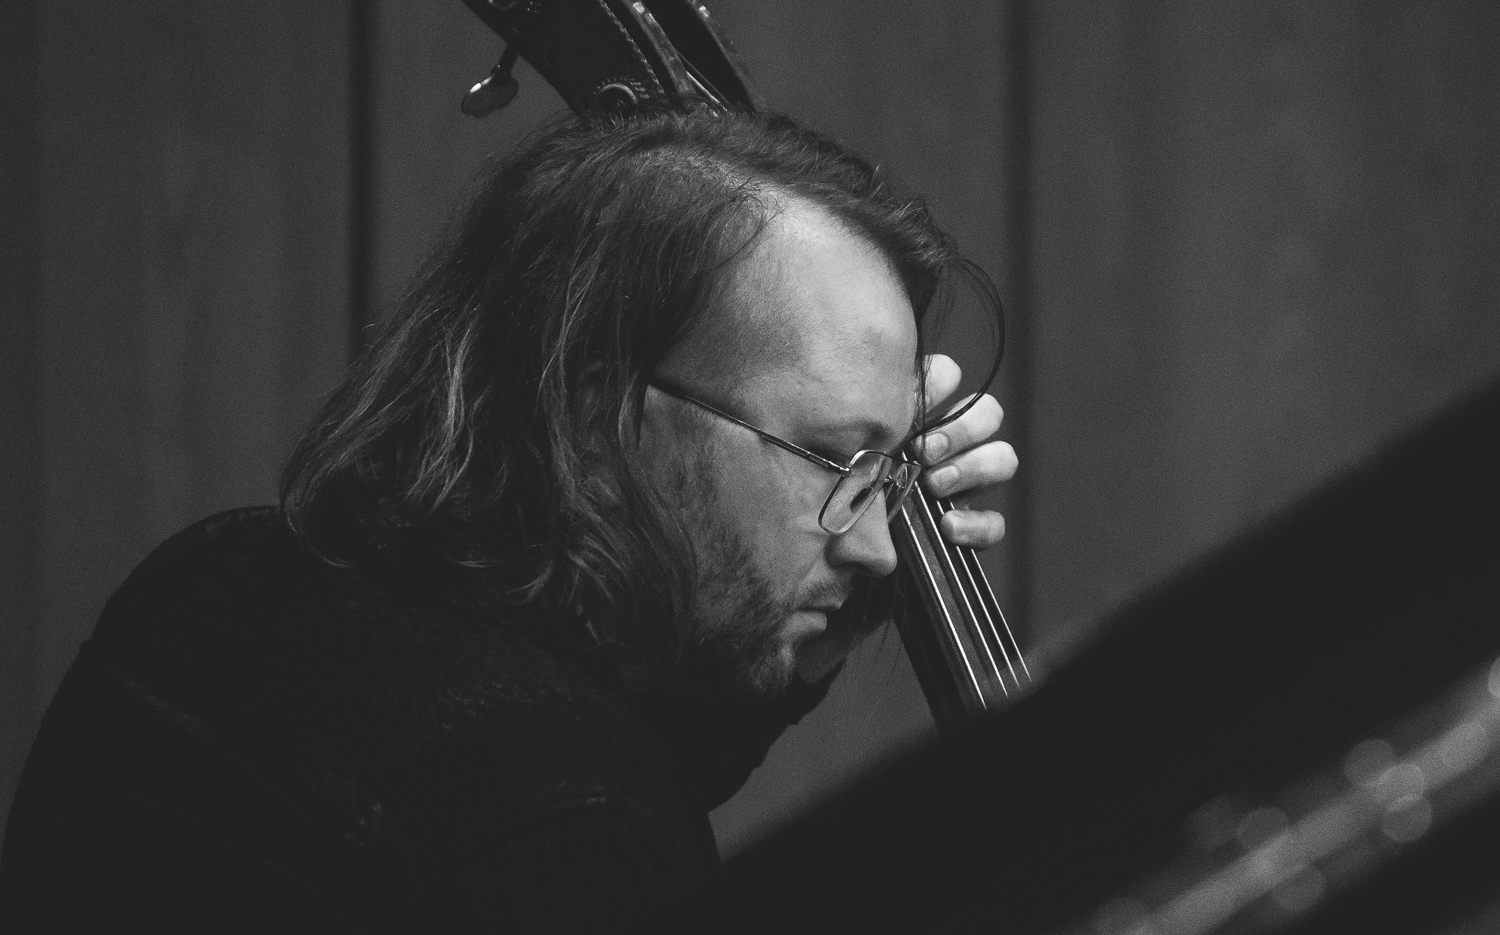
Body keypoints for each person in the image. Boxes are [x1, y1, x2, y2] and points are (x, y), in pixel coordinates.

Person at [0, 102, 1016, 931]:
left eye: (887, 475)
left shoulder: (211, 581)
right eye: (833, 459)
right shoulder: (558, 826)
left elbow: (622, 728)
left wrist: (827, 597)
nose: (882, 545)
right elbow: (562, 790)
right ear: (596, 419)